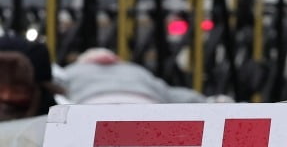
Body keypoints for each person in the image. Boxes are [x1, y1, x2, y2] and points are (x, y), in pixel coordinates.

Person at [60, 47, 208, 104]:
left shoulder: (71, 71)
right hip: (145, 105)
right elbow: (177, 95)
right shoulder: (136, 70)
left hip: (89, 106)